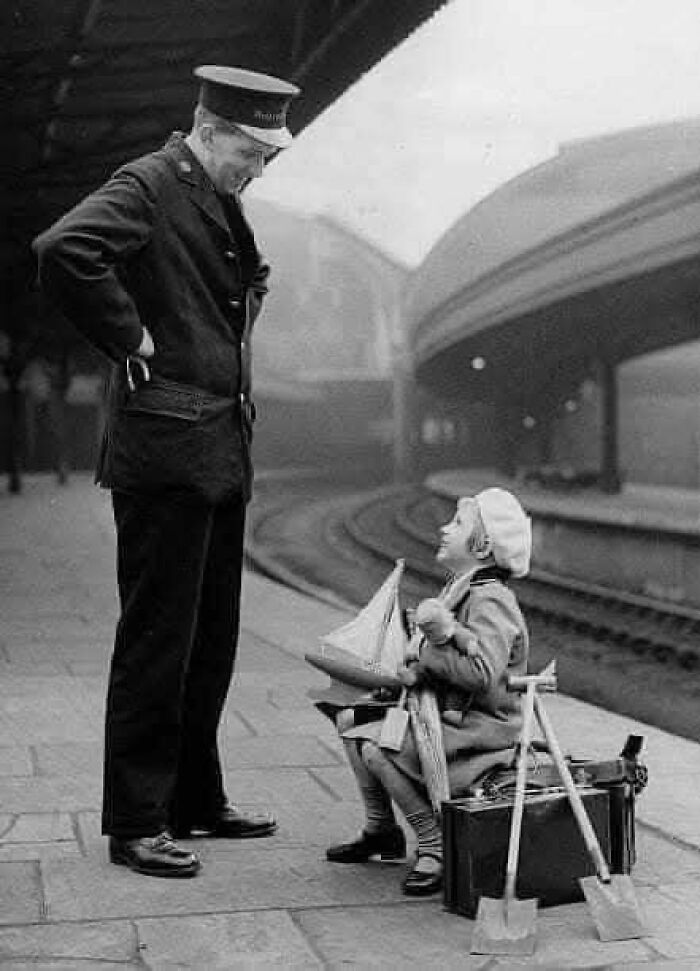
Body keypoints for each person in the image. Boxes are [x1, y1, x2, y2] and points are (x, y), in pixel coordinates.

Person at [32, 65, 301, 878]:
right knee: (157, 640)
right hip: (166, 452)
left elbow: (239, 281)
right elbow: (65, 249)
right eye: (252, 154)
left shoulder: (216, 198)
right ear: (211, 131)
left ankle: (194, 797)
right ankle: (137, 820)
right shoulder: (150, 181)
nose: (257, 171)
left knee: (210, 638)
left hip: (217, 449)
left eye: (266, 159)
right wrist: (132, 337)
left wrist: (244, 296)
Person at [326, 487, 532, 896]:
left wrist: (422, 655)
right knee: (351, 720)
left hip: (481, 731)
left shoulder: (492, 600)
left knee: (379, 746)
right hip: (448, 717)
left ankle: (436, 843)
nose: (444, 528)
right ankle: (381, 830)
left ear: (483, 544)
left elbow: (481, 674)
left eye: (457, 524)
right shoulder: (463, 589)